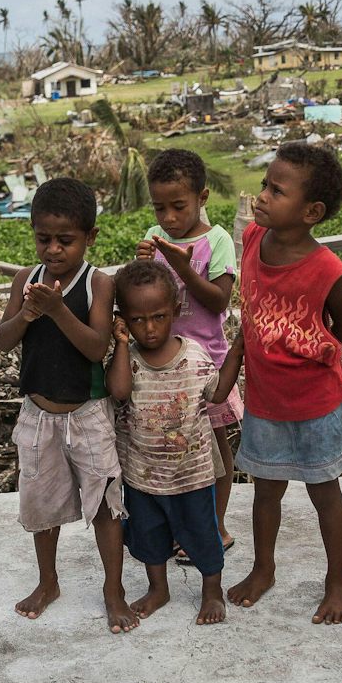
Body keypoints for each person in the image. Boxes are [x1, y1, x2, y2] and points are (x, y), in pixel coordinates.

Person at [211, 141, 342, 624]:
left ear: (312, 211)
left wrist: (309, 347)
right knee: (265, 490)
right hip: (266, 401)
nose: (261, 196)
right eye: (265, 185)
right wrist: (236, 364)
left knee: (325, 493)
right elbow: (251, 318)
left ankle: (339, 580)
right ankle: (263, 568)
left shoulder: (326, 269)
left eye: (277, 190)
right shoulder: (254, 240)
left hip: (317, 402)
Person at [0, 177, 135, 633]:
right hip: (37, 414)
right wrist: (27, 314)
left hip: (87, 413)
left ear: (90, 238)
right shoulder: (25, 280)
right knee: (41, 503)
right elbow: (2, 341)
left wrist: (57, 311)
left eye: (65, 240)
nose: (53, 250)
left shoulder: (99, 283)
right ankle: (48, 581)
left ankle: (113, 591)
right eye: (43, 238)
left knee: (104, 505)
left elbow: (96, 348)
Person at [105, 260, 226, 626]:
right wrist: (122, 344)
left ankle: (212, 592)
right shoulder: (129, 361)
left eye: (158, 316)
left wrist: (235, 355)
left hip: (192, 475)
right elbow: (120, 391)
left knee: (202, 536)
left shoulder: (194, 357)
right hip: (143, 476)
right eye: (137, 320)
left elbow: (218, 395)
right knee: (149, 539)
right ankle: (159, 588)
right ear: (122, 319)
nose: (150, 328)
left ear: (175, 309)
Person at [135, 147, 241, 546]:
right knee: (172, 452)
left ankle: (215, 525)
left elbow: (218, 301)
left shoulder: (217, 240)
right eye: (160, 209)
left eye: (179, 206)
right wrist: (142, 265)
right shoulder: (155, 237)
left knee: (213, 452)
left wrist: (181, 266)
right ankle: (183, 526)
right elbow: (142, 294)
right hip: (161, 369)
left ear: (203, 198)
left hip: (206, 368)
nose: (169, 218)